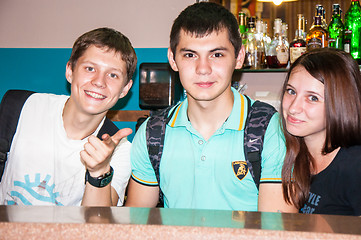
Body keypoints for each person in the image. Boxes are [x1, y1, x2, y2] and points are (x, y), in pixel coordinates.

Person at [126, 2, 295, 212]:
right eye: (190, 55)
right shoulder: (153, 133)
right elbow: (136, 224)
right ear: (173, 59)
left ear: (239, 57)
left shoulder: (269, 130)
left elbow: (277, 231)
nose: (203, 69)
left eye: (217, 54)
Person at [0, 27, 137, 206]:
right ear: (70, 71)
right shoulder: (19, 108)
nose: (99, 81)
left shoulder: (120, 150)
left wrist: (99, 171)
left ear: (125, 89)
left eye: (113, 75)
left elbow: (97, 227)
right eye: (90, 68)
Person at [281, 48, 361, 216]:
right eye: (291, 91)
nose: (293, 108)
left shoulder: (355, 166)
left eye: (313, 98)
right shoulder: (286, 152)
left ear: (341, 103)